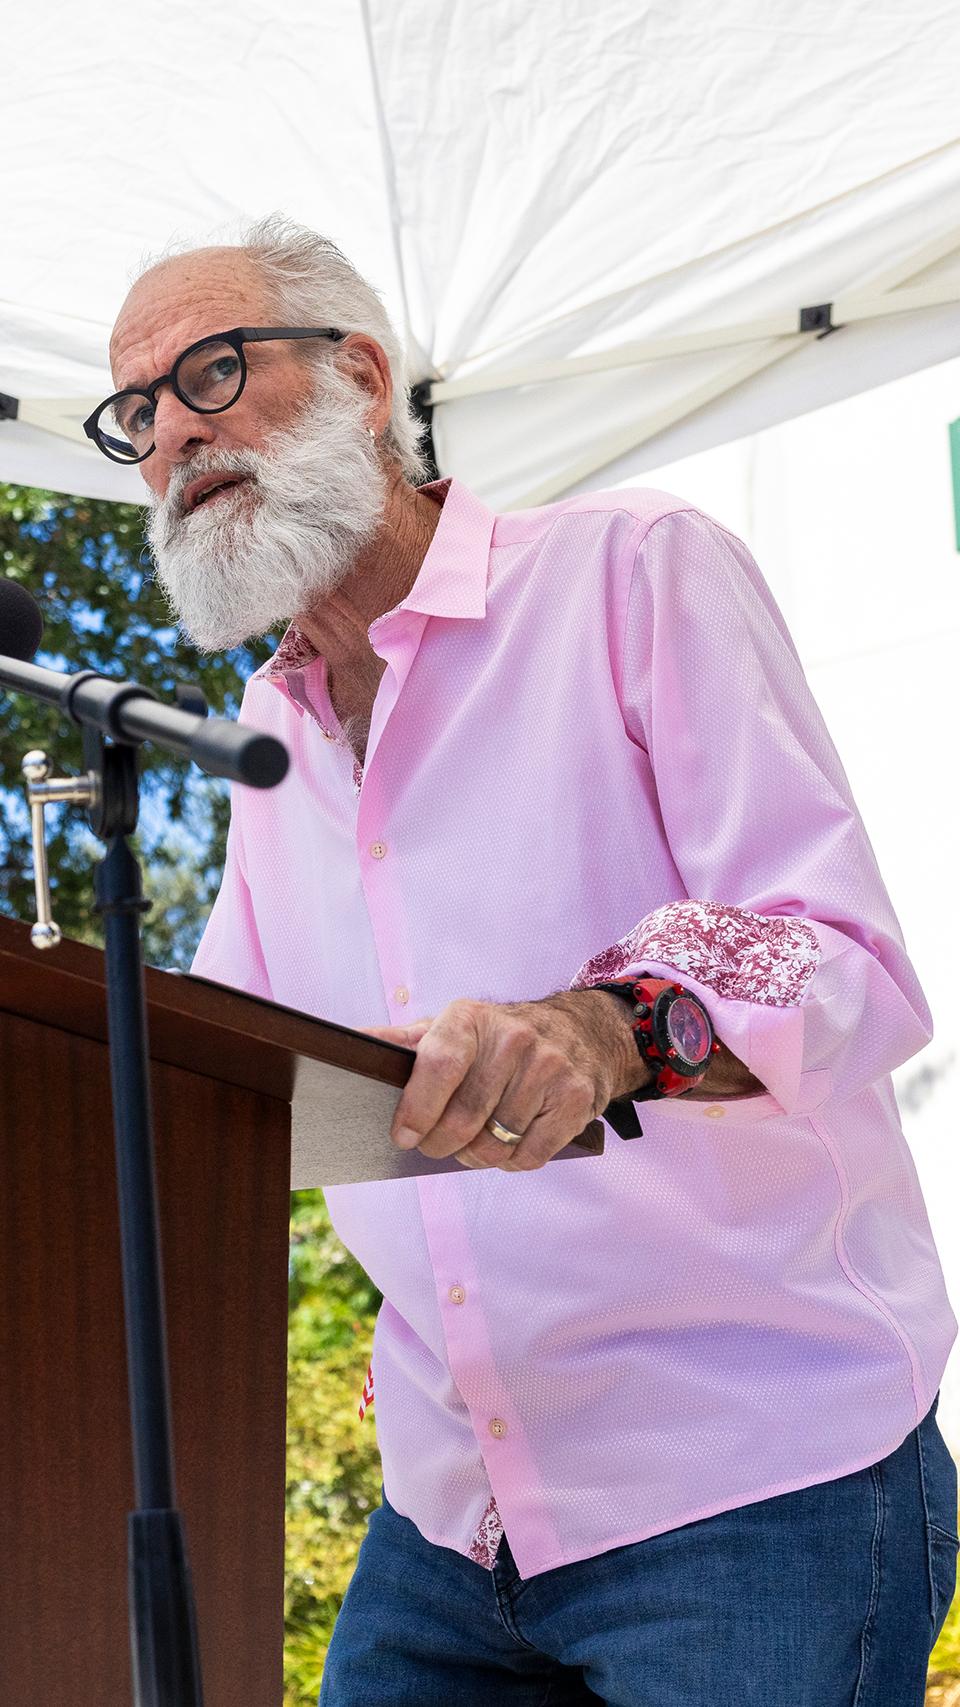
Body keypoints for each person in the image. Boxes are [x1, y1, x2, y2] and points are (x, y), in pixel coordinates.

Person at [99, 214, 958, 1705]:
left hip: (751, 1486)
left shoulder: (634, 573)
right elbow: (226, 1085)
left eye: (214, 371)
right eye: (139, 413)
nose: (174, 434)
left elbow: (842, 962)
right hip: (450, 1514)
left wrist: (604, 1027)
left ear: (362, 376)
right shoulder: (261, 745)